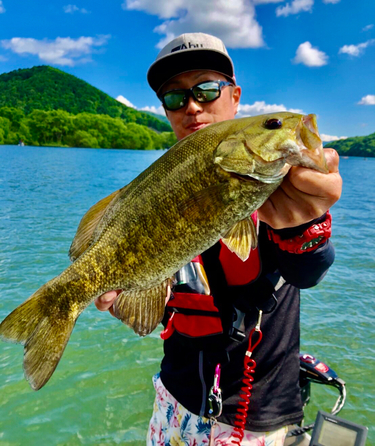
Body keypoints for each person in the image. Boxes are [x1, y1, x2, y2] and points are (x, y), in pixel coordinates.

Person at [95, 33, 342, 445]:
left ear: (235, 95)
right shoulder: (153, 192)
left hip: (256, 417)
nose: (191, 106)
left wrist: (306, 230)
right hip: (172, 400)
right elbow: (168, 309)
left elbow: (308, 268)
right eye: (174, 98)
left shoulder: (271, 182)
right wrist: (132, 305)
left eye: (207, 90)